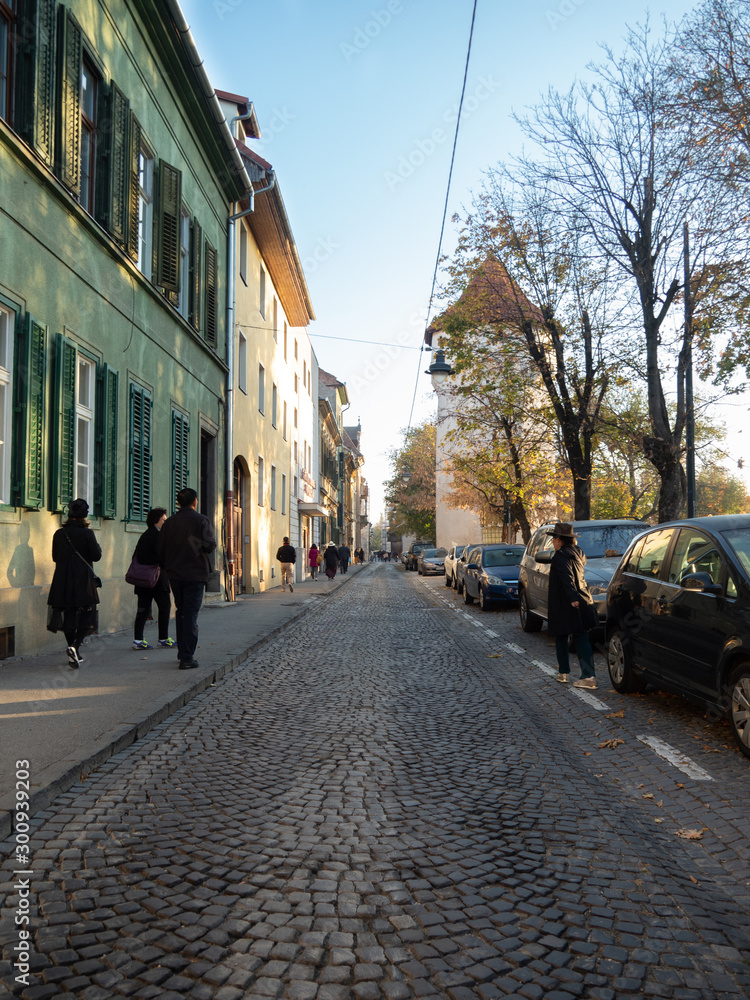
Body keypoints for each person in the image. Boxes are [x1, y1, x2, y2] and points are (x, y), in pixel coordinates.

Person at [157, 487, 216, 670]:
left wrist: (167, 567)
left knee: (181, 611)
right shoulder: (201, 520)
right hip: (196, 574)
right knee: (190, 613)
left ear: (178, 503)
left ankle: (183, 652)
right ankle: (187, 656)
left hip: (175, 573)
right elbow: (210, 545)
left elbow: (160, 549)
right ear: (195, 501)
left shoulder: (169, 523)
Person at [47, 498, 102, 669]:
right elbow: (96, 556)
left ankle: (74, 651)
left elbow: (55, 557)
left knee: (69, 614)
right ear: (84, 516)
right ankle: (75, 647)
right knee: (87, 613)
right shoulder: (87, 533)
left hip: (63, 579)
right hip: (83, 579)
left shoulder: (59, 533)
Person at [547, 521, 598, 689]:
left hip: (566, 603)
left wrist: (572, 597)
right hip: (583, 599)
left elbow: (567, 577)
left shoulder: (560, 556)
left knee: (562, 635)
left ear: (560, 540)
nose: (553, 541)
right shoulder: (578, 553)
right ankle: (581, 674)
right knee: (581, 638)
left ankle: (572, 674)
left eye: (554, 538)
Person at [132, 507, 174, 650]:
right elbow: (162, 557)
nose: (165, 521)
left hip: (142, 578)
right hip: (157, 577)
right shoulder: (158, 536)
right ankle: (163, 638)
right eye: (164, 519)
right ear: (157, 520)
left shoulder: (144, 535)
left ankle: (138, 640)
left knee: (143, 609)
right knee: (165, 606)